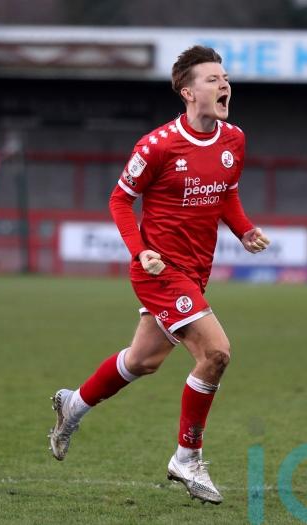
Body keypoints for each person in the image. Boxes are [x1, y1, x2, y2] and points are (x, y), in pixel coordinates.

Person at [48, 45, 270, 505]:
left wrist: (244, 230)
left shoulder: (234, 140)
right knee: (216, 353)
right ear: (188, 93)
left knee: (143, 360)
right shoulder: (158, 145)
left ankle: (74, 404)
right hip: (159, 271)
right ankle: (187, 457)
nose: (223, 84)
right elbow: (118, 199)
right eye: (212, 79)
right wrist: (141, 250)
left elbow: (226, 192)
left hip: (196, 269)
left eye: (224, 77)